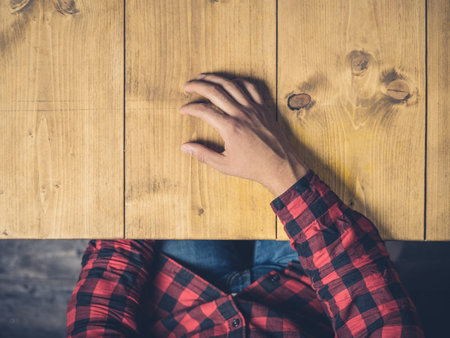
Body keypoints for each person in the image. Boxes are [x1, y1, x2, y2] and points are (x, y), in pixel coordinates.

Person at [66, 73, 424, 337]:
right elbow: (382, 321)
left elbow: (100, 318)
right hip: (310, 290)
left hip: (178, 287)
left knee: (172, 108)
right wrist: (281, 170)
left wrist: (135, 202)